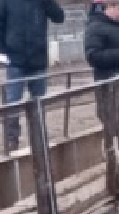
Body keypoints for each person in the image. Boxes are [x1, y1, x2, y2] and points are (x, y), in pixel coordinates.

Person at [0, 0, 65, 150]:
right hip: (15, 60)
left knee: (38, 101)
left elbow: (59, 17)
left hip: (38, 59)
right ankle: (12, 140)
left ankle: (39, 137)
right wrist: (3, 51)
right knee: (13, 102)